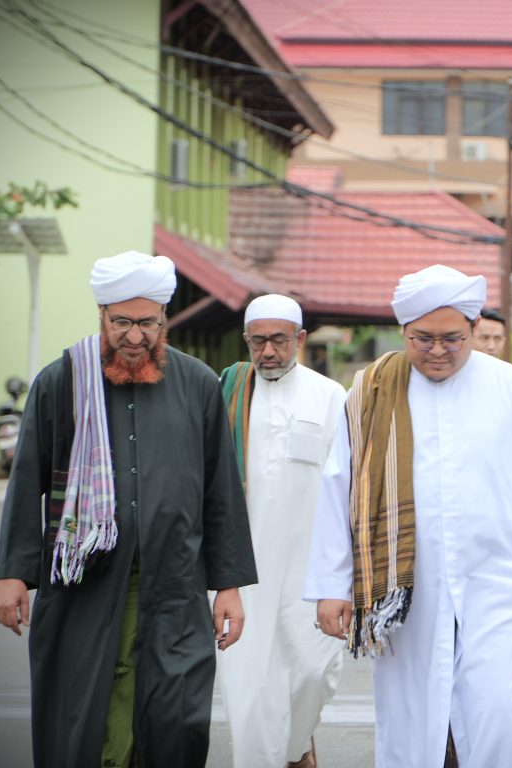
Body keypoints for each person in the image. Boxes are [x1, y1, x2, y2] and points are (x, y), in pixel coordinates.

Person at [305, 264, 512, 768]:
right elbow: (338, 488)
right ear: (403, 332)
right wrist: (333, 585)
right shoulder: (372, 394)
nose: (437, 351)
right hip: (405, 592)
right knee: (412, 724)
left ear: (474, 326)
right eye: (424, 339)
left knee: (502, 715)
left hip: (501, 582)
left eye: (452, 339)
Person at [0, 251, 257, 768]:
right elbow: (27, 480)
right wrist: (11, 576)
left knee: (177, 714)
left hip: (175, 578)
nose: (135, 337)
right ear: (101, 314)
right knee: (90, 713)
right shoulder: (62, 381)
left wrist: (228, 586)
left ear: (164, 319)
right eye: (122, 323)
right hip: (85, 582)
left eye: (147, 323)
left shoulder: (198, 384)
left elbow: (221, 492)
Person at [218, 294, 347, 768]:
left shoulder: (331, 396)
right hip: (243, 570)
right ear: (246, 340)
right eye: (258, 341)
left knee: (316, 672)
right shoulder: (227, 393)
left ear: (300, 339)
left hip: (312, 568)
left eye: (278, 340)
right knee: (248, 687)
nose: (268, 351)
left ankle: (294, 747)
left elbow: (349, 485)